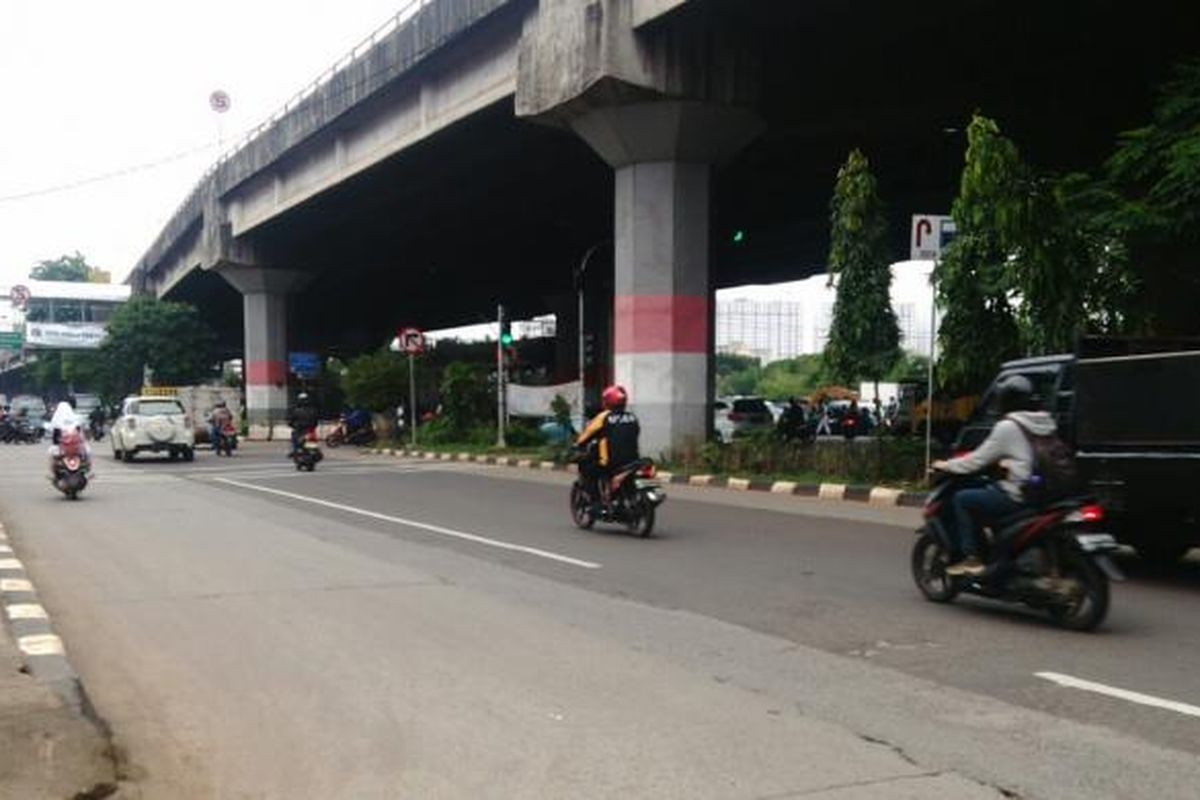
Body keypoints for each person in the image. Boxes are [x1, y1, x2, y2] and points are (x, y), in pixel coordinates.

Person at [931, 375, 1056, 577]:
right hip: (1044, 492)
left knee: (963, 499)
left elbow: (977, 460)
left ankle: (971, 558)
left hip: (1019, 494)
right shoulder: (1046, 422)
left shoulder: (1008, 426)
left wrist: (946, 465)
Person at [575, 385, 641, 511]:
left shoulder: (604, 417)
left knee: (588, 470)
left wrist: (578, 445)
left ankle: (596, 503)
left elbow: (586, 436)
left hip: (611, 462)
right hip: (633, 460)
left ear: (607, 401)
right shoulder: (633, 417)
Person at [47, 396, 89, 477]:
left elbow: (54, 437)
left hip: (71, 447)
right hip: (68, 448)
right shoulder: (74, 418)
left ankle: (55, 474)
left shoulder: (60, 420)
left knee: (51, 453)